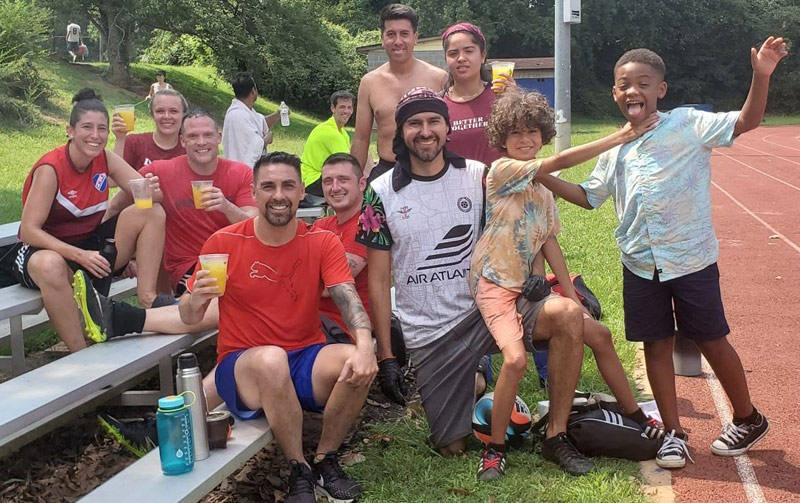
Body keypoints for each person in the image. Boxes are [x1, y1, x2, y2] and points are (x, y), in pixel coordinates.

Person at [537, 38, 788, 469]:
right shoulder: (613, 146)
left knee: (711, 338)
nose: (633, 91)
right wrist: (542, 177)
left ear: (661, 90)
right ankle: (672, 433)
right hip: (639, 260)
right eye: (623, 85)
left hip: (690, 257)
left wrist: (760, 75)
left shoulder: (689, 123)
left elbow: (746, 121)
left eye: (643, 83)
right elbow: (589, 196)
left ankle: (747, 417)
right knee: (656, 344)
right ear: (614, 94)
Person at [357, 87, 594, 476]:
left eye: (434, 120)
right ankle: (479, 394)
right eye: (414, 123)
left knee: (567, 315)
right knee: (451, 446)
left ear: (448, 127)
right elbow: (379, 281)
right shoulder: (379, 193)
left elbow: (523, 225)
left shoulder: (478, 176)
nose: (425, 130)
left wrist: (537, 276)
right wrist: (386, 357)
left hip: (490, 303)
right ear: (401, 132)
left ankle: (556, 435)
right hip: (431, 332)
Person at [470, 89, 661, 480]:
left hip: (527, 287)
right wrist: (619, 136)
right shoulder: (504, 170)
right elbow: (557, 162)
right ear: (502, 139)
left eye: (533, 132)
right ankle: (494, 449)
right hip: (494, 285)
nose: (525, 140)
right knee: (515, 361)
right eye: (516, 133)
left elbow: (548, 240)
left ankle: (628, 417)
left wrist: (572, 298)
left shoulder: (542, 188)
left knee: (599, 334)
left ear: (543, 133)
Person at [179, 152, 377, 503]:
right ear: (254, 193)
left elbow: (347, 298)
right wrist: (196, 299)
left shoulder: (321, 241)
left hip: (303, 357)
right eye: (268, 186)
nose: (279, 194)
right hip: (244, 366)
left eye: (288, 185)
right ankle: (298, 469)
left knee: (354, 357)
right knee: (271, 359)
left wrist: (365, 345)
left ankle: (325, 459)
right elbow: (190, 317)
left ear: (303, 191)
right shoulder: (224, 243)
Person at [13, 88, 165, 353]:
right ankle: (80, 352)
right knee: (50, 265)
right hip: (46, 250)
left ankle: (148, 298)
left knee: (152, 212)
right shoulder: (51, 169)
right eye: (87, 127)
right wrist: (80, 255)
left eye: (102, 129)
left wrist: (150, 188)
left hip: (89, 248)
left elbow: (153, 198)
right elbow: (28, 230)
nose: (95, 136)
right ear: (70, 131)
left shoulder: (106, 158)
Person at [106, 109, 258, 301]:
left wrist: (226, 207)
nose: (201, 142)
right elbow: (116, 204)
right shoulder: (161, 171)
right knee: (228, 302)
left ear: (219, 138)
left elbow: (255, 224)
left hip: (237, 262)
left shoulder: (240, 173)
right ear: (182, 141)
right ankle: (131, 318)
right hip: (190, 266)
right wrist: (116, 254)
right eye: (193, 136)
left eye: (208, 135)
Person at [350, 3, 447, 182]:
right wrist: (353, 181)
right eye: (391, 34)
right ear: (382, 38)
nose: (398, 41)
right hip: (386, 171)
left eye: (404, 34)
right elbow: (361, 140)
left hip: (429, 172)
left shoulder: (438, 78)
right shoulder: (370, 82)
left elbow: (448, 133)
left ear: (415, 37)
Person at [312, 153, 369, 341]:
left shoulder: (368, 223)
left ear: (361, 184)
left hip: (341, 328)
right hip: (309, 319)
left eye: (343, 180)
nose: (335, 188)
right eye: (328, 181)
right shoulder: (322, 226)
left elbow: (331, 288)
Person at [441, 22, 515, 167]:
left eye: (469, 51)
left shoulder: (501, 96)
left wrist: (516, 101)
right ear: (446, 59)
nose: (461, 58)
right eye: (453, 53)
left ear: (482, 56)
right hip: (456, 188)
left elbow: (527, 142)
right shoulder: (438, 105)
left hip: (502, 186)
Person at [112, 89, 188, 171]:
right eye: (160, 111)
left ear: (183, 115)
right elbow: (112, 180)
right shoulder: (134, 143)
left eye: (173, 111)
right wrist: (120, 139)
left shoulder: (190, 146)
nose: (167, 116)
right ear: (152, 115)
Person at [221, 72, 283, 168]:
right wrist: (266, 139)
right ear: (253, 91)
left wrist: (279, 114)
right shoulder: (238, 115)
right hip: (240, 171)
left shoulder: (246, 111)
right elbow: (254, 145)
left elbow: (262, 122)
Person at [300, 92, 355, 197]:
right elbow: (348, 165)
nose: (346, 111)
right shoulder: (330, 132)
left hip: (319, 178)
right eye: (342, 107)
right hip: (311, 181)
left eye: (349, 107)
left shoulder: (342, 133)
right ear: (333, 108)